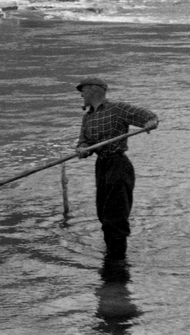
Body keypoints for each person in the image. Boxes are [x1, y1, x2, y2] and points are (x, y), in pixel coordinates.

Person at [75, 76, 159, 261]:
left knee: (115, 218)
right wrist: (82, 150)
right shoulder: (87, 117)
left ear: (94, 90)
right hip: (102, 167)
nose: (81, 95)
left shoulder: (117, 109)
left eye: (83, 90)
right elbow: (84, 142)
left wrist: (150, 122)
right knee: (103, 214)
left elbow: (149, 116)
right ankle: (111, 256)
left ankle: (117, 263)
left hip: (119, 165)